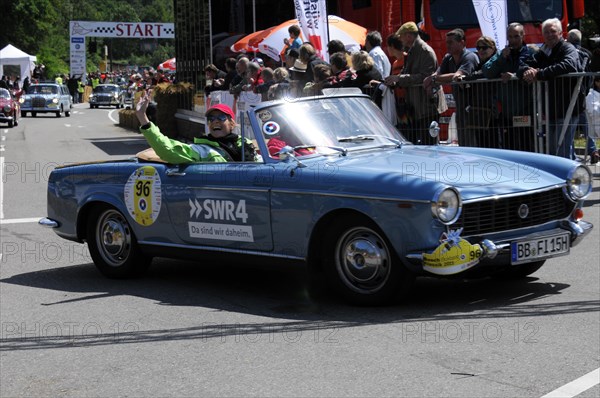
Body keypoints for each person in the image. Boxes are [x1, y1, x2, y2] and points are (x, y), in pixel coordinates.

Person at [519, 18, 583, 159]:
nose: (549, 35)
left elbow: (569, 65)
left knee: (561, 149)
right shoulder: (544, 50)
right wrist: (527, 70)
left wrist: (540, 74)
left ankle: (569, 179)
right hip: (551, 109)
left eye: (553, 31)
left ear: (561, 33)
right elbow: (525, 64)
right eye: (546, 32)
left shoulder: (568, 48)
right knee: (554, 149)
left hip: (568, 107)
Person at [136, 91, 258, 163]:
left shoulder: (244, 143)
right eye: (211, 119)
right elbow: (169, 149)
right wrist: (143, 118)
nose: (215, 121)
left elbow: (263, 164)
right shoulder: (202, 149)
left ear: (232, 123)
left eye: (221, 118)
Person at [385, 22, 446, 144]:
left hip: (427, 106)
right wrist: (395, 80)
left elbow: (426, 77)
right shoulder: (413, 50)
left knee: (429, 144)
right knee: (421, 146)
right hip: (418, 107)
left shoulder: (425, 51)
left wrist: (399, 79)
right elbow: (407, 73)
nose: (400, 40)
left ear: (408, 36)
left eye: (401, 37)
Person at [483, 22, 535, 151]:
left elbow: (531, 69)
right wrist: (501, 57)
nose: (513, 40)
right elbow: (487, 71)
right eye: (510, 37)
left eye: (516, 36)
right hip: (506, 112)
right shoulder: (502, 53)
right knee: (509, 148)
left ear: (523, 36)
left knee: (526, 146)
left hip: (525, 110)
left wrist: (514, 75)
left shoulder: (531, 52)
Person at [423, 28, 479, 147]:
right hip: (461, 107)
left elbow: (457, 75)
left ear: (462, 42)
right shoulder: (448, 58)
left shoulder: (470, 57)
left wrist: (433, 79)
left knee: (474, 142)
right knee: (463, 142)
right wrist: (430, 81)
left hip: (475, 107)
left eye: (451, 42)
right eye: (447, 42)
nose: (447, 45)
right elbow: (437, 75)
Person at [567, 28, 597, 161]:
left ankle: (571, 154)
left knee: (569, 126)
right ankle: (592, 150)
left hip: (567, 94)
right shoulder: (587, 53)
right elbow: (589, 76)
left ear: (568, 39)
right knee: (587, 124)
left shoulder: (567, 52)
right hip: (583, 94)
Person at [585, 76, 600, 164]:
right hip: (597, 124)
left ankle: (597, 153)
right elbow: (594, 112)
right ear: (597, 82)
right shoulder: (591, 95)